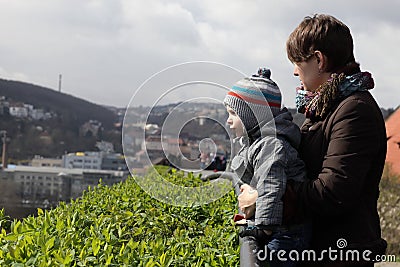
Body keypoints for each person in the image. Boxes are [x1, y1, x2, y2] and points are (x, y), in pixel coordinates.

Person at [285, 14, 387, 266]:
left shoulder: (354, 110)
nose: (295, 71)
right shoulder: (325, 106)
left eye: (298, 62)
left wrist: (273, 196)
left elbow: (332, 192)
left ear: (319, 59)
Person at [224, 68, 310, 267]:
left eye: (234, 113)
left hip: (287, 233)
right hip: (282, 226)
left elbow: (271, 186)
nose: (228, 120)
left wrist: (263, 229)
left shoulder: (269, 145)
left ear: (252, 116)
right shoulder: (257, 142)